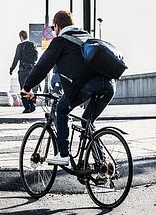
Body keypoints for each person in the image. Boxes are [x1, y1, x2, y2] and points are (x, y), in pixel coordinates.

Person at [21, 10, 114, 166]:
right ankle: (102, 166)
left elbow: (42, 66)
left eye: (53, 28)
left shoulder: (60, 42)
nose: (54, 30)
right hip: (109, 85)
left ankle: (63, 154)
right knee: (87, 122)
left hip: (88, 85)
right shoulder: (87, 37)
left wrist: (27, 87)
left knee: (62, 109)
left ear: (57, 26)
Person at [11, 31, 40, 113]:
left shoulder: (20, 46)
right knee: (31, 87)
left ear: (21, 37)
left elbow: (16, 58)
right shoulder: (33, 45)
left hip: (23, 70)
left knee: (24, 89)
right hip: (32, 69)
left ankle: (27, 107)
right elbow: (36, 58)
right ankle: (32, 105)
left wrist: (12, 69)